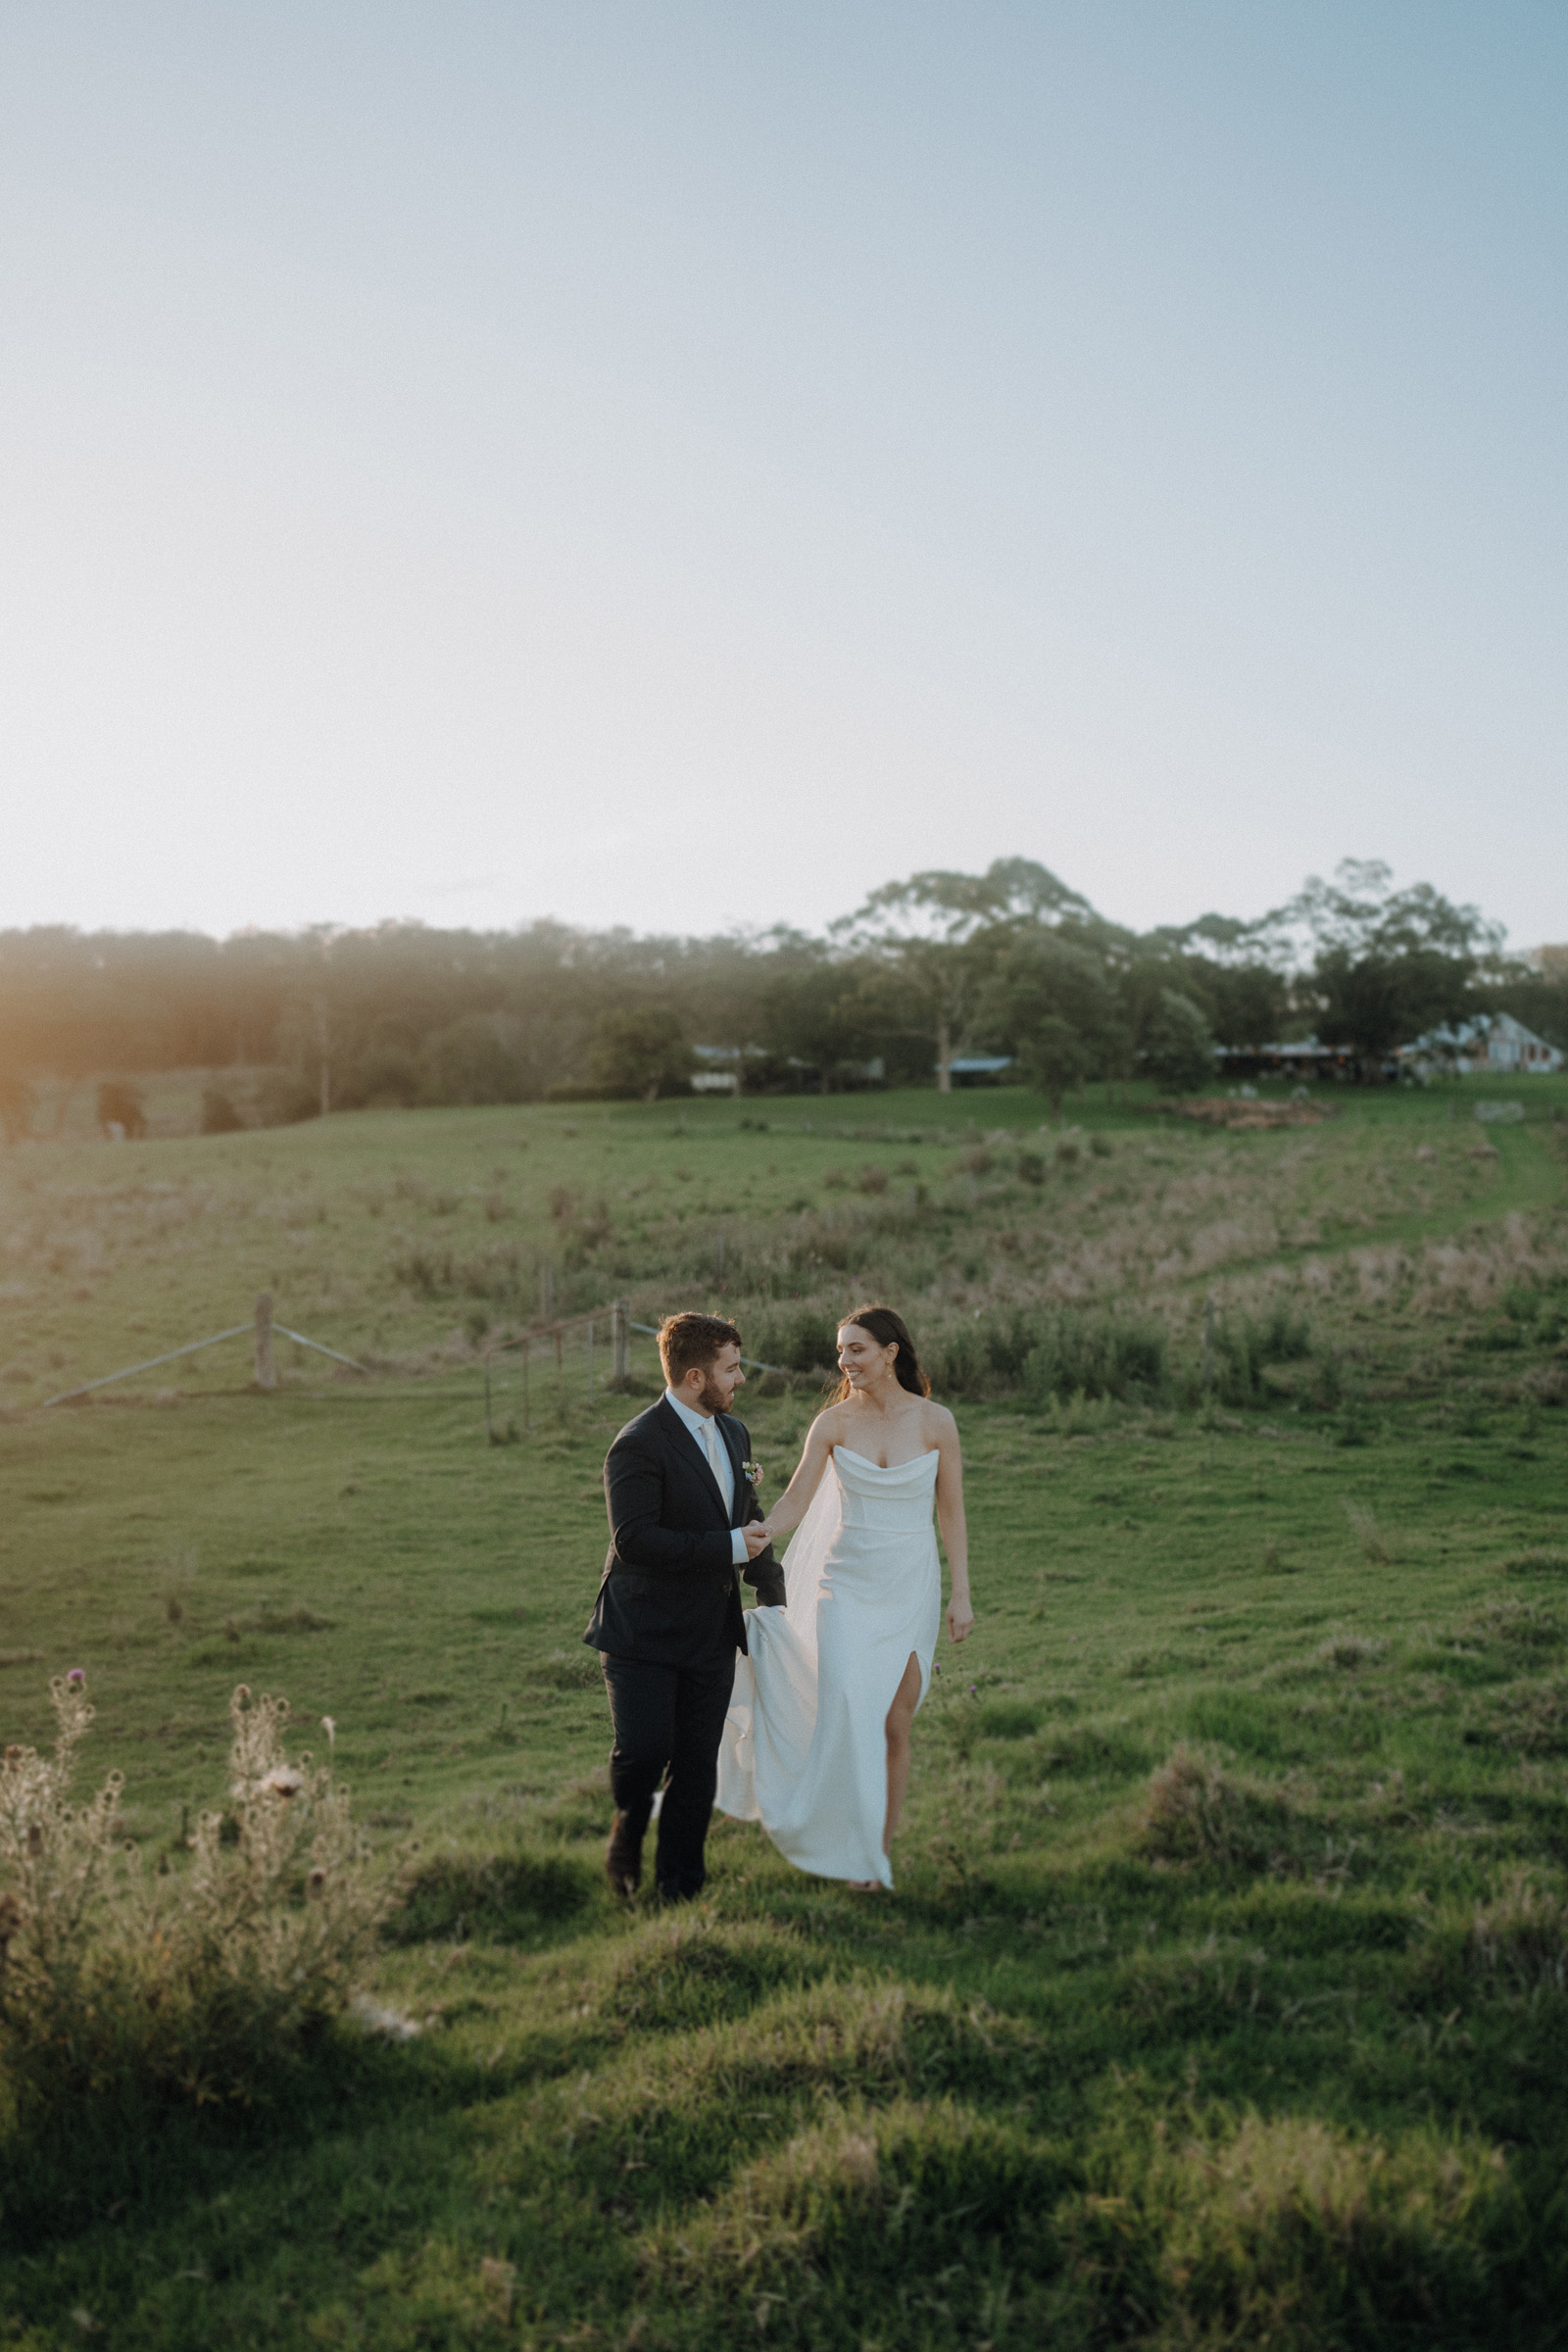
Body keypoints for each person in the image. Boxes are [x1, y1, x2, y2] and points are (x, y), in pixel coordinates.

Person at [716, 1304, 973, 1891]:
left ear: (890, 1352)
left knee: (894, 1723)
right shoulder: (831, 1425)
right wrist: (752, 1535)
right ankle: (847, 1844)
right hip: (846, 1586)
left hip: (909, 1584)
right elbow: (795, 1502)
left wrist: (962, 1593)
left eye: (856, 1349)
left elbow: (952, 1512)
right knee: (850, 1711)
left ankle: (874, 1856)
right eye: (840, 1351)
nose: (845, 1361)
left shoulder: (937, 1422)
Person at [585, 1312, 783, 1902]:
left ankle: (680, 1890)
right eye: (731, 1369)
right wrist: (725, 1547)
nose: (740, 1379)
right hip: (640, 1630)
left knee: (697, 1766)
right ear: (696, 1377)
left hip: (708, 1631)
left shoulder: (734, 1434)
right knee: (646, 1751)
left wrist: (772, 1593)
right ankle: (628, 1824)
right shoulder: (637, 1444)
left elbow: (748, 1517)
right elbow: (635, 1540)